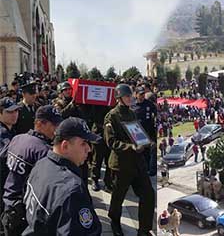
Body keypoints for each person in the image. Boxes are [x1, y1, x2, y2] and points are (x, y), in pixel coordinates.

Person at [22, 117, 102, 236]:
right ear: (65, 146)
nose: (89, 149)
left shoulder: (41, 164)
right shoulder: (72, 190)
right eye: (83, 144)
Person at [1, 105, 61, 236]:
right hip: (24, 213)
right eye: (53, 125)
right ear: (40, 123)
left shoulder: (17, 138)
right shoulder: (44, 152)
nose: (57, 130)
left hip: (8, 204)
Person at [104, 84, 155, 236]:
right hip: (121, 165)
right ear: (119, 98)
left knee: (148, 195)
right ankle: (114, 222)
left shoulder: (132, 114)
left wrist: (146, 141)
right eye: (127, 96)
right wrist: (130, 147)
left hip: (137, 164)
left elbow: (138, 133)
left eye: (130, 96)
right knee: (117, 199)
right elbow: (111, 142)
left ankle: (144, 230)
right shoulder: (112, 116)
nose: (130, 98)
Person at [0, 97, 21, 224]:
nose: (14, 115)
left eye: (16, 111)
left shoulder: (10, 129)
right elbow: (5, 154)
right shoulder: (2, 132)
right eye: (9, 112)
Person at [133, 87, 157, 176]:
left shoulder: (149, 104)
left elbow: (156, 112)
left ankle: (146, 169)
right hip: (136, 132)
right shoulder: (132, 105)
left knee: (147, 152)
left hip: (148, 131)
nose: (142, 96)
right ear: (136, 95)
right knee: (138, 152)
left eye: (143, 94)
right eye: (140, 94)